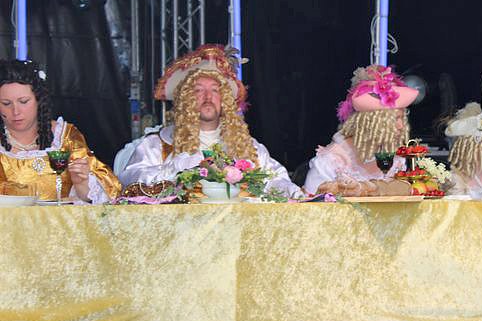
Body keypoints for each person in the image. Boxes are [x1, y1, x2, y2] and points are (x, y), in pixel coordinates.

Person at [118, 45, 301, 198]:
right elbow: (129, 179)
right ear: (186, 99)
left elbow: (276, 179)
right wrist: (177, 168)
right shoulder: (158, 144)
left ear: (224, 100)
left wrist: (293, 192)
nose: (208, 97)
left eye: (215, 90)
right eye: (198, 90)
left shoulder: (248, 147)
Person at [0, 60, 121, 203]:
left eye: (24, 101)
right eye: (6, 103)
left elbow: (108, 194)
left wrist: (82, 182)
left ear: (39, 100)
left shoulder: (65, 137)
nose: (15, 111)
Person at [303, 65, 418, 195]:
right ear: (369, 123)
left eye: (402, 118)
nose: (401, 126)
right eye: (394, 120)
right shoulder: (332, 160)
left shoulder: (395, 157)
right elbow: (310, 202)